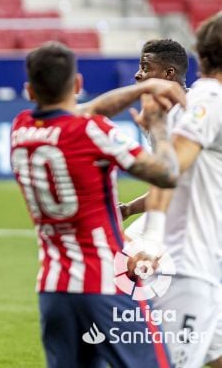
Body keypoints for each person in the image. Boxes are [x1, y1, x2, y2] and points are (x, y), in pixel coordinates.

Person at [11, 41, 181, 368]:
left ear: (30, 91)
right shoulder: (93, 131)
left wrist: (139, 89)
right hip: (103, 283)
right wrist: (157, 123)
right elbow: (168, 174)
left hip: (53, 288)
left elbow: (80, 114)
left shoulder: (21, 129)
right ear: (77, 85)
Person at [133, 13, 222, 368]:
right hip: (186, 262)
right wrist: (151, 241)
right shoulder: (207, 102)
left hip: (205, 260)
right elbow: (170, 172)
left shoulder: (203, 101)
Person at [118, 38, 189, 221]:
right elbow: (170, 185)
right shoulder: (154, 114)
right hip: (178, 210)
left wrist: (130, 208)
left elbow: (178, 183)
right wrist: (128, 209)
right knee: (124, 250)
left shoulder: (191, 116)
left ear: (168, 73)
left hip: (200, 218)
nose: (137, 74)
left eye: (145, 67)